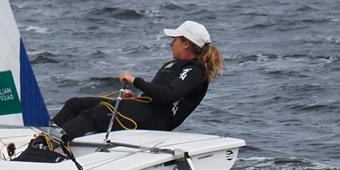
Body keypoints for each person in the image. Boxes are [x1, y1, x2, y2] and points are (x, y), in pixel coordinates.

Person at [51, 21, 224, 141]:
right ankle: (42, 137)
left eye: (175, 39)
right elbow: (158, 93)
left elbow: (170, 95)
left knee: (99, 113)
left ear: (186, 43)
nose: (171, 43)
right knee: (75, 104)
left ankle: (49, 146)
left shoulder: (194, 71)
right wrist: (135, 96)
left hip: (157, 120)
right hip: (146, 109)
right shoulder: (175, 65)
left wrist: (136, 81)